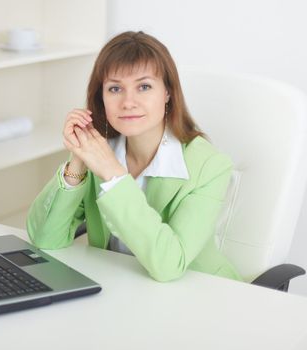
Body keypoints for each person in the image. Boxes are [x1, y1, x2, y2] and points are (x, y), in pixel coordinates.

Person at [26, 31, 242, 282]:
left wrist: (114, 175)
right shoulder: (100, 153)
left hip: (200, 294)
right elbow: (44, 237)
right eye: (115, 88)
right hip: (121, 288)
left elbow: (169, 265)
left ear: (168, 93)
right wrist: (79, 159)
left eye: (144, 86)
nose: (128, 102)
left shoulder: (209, 166)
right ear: (101, 97)